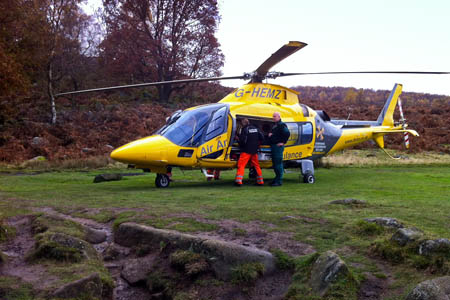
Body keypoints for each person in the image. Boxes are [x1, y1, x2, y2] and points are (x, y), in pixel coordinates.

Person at [235, 119, 265, 187]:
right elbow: (262, 138)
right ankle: (260, 181)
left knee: (241, 165)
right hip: (254, 151)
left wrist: (238, 140)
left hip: (246, 151)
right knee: (256, 166)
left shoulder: (245, 129)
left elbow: (243, 141)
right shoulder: (256, 129)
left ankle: (238, 181)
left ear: (243, 123)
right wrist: (257, 145)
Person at [268, 112, 290, 186]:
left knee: (278, 164)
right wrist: (270, 135)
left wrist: (283, 142)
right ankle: (276, 179)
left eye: (275, 116)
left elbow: (287, 133)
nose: (273, 117)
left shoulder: (281, 125)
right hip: (274, 146)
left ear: (279, 117)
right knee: (275, 164)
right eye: (273, 116)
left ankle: (279, 181)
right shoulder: (275, 125)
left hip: (278, 147)